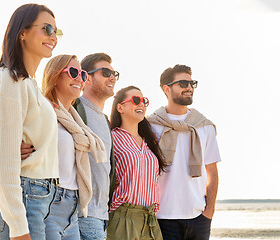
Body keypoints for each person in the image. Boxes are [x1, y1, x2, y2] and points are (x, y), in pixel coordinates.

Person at [0, 4, 62, 240]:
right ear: (22, 32)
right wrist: (18, 228)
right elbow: (2, 161)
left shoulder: (29, 84)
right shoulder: (10, 79)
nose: (52, 36)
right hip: (22, 202)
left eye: (56, 31)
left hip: (38, 200)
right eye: (46, 28)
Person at [148, 64, 221, 240]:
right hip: (162, 217)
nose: (189, 88)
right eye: (183, 83)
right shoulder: (150, 125)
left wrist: (209, 211)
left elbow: (212, 171)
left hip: (198, 218)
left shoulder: (204, 127)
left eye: (192, 83)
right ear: (167, 89)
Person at [41, 54, 107, 239]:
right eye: (73, 72)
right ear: (55, 76)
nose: (79, 78)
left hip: (73, 207)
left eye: (83, 74)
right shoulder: (42, 110)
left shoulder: (75, 120)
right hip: (50, 203)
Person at [107, 86, 166, 240]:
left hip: (150, 219)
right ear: (120, 107)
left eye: (144, 101)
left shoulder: (150, 142)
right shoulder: (112, 138)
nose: (141, 104)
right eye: (135, 100)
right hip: (123, 216)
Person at [75, 53, 118, 239]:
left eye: (114, 73)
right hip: (82, 213)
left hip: (101, 215)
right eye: (106, 72)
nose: (112, 77)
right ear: (87, 77)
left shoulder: (105, 120)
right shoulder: (75, 109)